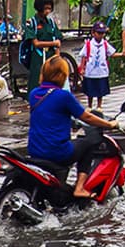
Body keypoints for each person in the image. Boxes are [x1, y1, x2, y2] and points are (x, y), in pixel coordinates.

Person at [27, 56, 118, 198]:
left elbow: (50, 114)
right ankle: (79, 188)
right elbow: (86, 117)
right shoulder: (64, 96)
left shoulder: (34, 94)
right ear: (61, 76)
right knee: (87, 145)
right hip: (57, 152)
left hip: (34, 150)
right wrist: (110, 124)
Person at [22, 0, 61, 90]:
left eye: (49, 8)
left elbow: (57, 40)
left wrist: (58, 59)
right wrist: (53, 43)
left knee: (52, 83)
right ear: (39, 8)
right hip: (37, 58)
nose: (48, 11)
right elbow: (36, 43)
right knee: (37, 83)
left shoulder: (51, 23)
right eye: (46, 8)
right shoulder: (31, 23)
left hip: (51, 57)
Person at [79, 22, 114, 113]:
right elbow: (84, 56)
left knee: (100, 90)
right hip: (90, 71)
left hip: (101, 71)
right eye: (99, 33)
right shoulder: (88, 44)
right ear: (93, 33)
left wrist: (123, 54)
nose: (100, 35)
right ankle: (90, 105)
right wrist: (82, 68)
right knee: (90, 90)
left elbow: (112, 53)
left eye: (102, 33)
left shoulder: (105, 44)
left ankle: (99, 105)